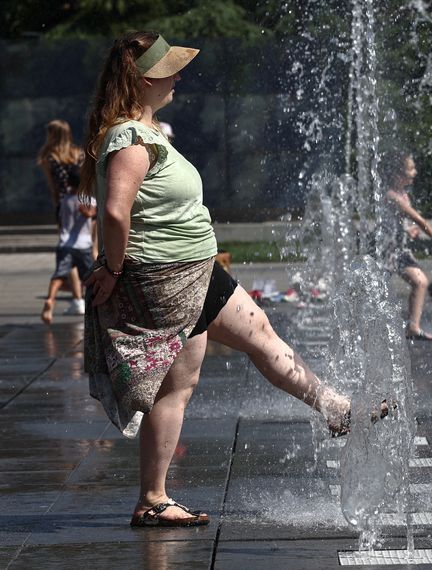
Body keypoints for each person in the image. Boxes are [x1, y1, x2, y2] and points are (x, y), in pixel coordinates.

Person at [79, 31, 377, 528]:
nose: (178, 76)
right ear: (144, 79)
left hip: (193, 271)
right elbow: (114, 213)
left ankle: (332, 407)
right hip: (168, 279)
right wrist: (112, 270)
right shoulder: (129, 138)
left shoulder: (147, 133)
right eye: (169, 69)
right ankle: (153, 497)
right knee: (192, 377)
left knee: (246, 342)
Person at [376, 152, 432, 341]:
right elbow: (417, 218)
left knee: (420, 282)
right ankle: (363, 328)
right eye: (410, 168)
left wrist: (408, 231)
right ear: (396, 173)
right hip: (385, 251)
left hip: (398, 251)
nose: (415, 172)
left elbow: (399, 221)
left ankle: (413, 327)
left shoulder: (403, 194)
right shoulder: (392, 196)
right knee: (376, 291)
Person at [37, 119, 96, 324]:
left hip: (65, 205)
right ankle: (92, 299)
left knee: (67, 248)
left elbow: (54, 188)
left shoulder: (49, 157)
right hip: (86, 202)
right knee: (90, 248)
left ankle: (77, 299)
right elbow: (86, 178)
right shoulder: (79, 153)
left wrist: (59, 209)